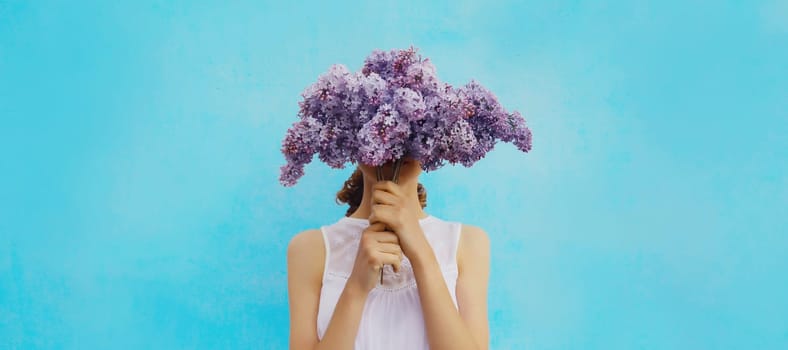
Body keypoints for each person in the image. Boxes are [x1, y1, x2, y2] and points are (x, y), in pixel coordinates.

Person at [287, 157, 490, 349]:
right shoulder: (310, 248)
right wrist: (356, 286)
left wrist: (422, 254)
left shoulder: (467, 242)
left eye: (412, 131)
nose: (393, 145)